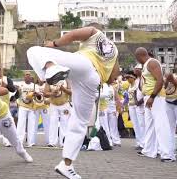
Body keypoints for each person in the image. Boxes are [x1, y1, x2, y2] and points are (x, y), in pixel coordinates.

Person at [27, 24, 120, 178]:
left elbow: (73, 34)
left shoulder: (95, 32)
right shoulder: (114, 51)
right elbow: (112, 77)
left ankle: (49, 69)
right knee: (79, 122)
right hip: (93, 80)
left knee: (34, 51)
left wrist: (54, 44)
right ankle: (67, 165)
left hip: (84, 65)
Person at [134, 47, 175, 162]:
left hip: (156, 97)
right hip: (149, 97)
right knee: (150, 125)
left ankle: (167, 154)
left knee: (161, 125)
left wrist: (152, 97)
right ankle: (149, 150)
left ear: (139, 56)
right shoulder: (147, 64)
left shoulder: (152, 62)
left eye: (137, 58)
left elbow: (160, 80)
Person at [45, 79, 72, 147]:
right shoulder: (49, 78)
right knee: (53, 122)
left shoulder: (67, 79)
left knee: (65, 123)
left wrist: (63, 89)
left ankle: (63, 142)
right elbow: (45, 93)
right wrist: (52, 93)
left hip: (65, 104)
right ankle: (52, 142)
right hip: (53, 104)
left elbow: (71, 92)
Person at [16, 71, 37, 147]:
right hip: (23, 105)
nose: (27, 76)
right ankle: (19, 141)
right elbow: (16, 96)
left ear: (31, 77)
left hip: (31, 106)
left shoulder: (35, 86)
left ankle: (30, 142)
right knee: (21, 124)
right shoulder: (20, 85)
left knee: (31, 124)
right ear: (24, 77)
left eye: (29, 75)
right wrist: (17, 90)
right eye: (26, 75)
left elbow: (38, 97)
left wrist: (36, 94)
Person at [125, 71, 144, 149]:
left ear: (133, 77)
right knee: (135, 125)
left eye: (128, 78)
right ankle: (139, 142)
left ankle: (143, 143)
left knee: (141, 124)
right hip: (131, 106)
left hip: (138, 106)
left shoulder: (137, 83)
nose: (127, 79)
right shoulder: (129, 85)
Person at [33, 80, 50, 145]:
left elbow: (49, 94)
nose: (40, 80)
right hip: (36, 107)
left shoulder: (46, 86)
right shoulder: (34, 86)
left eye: (42, 79)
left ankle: (48, 141)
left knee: (47, 124)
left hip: (44, 107)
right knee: (34, 124)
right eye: (39, 78)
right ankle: (32, 141)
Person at [164, 73, 177, 152]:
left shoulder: (173, 77)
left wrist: (171, 79)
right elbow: (164, 88)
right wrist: (166, 80)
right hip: (168, 103)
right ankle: (171, 148)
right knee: (170, 127)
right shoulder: (168, 76)